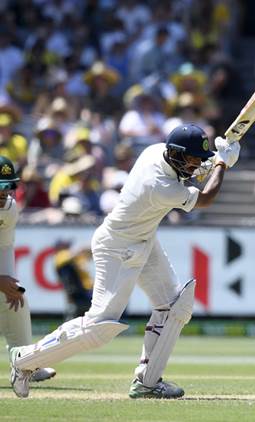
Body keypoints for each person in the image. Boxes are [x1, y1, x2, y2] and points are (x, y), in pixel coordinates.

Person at [9, 124, 240, 399]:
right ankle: (24, 360)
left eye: (196, 161)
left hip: (143, 239)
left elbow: (193, 169)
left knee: (175, 304)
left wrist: (212, 160)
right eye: (189, 160)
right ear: (176, 155)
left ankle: (148, 382)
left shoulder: (157, 151)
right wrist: (222, 164)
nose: (193, 166)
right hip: (117, 246)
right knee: (99, 327)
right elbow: (205, 198)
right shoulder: (159, 185)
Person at [0, 156, 57, 396]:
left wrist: (8, 282)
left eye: (9, 186)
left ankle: (25, 363)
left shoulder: (10, 208)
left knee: (17, 299)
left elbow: (4, 246)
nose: (5, 192)